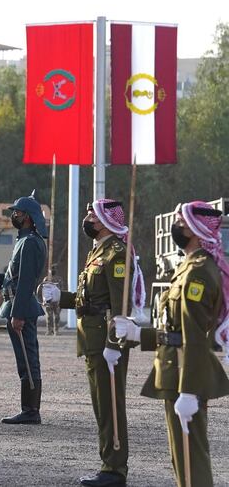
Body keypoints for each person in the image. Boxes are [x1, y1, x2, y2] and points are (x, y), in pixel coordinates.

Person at [115, 201, 229, 487]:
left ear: (194, 228)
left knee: (192, 462)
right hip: (173, 371)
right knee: (181, 458)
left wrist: (189, 390)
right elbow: (173, 330)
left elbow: (195, 337)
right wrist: (139, 335)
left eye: (180, 222)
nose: (175, 227)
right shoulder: (187, 267)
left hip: (185, 376)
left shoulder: (199, 271)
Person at [43, 199, 145, 486]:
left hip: (106, 342)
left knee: (110, 404)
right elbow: (86, 299)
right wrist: (59, 297)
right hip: (92, 340)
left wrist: (114, 345)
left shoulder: (116, 254)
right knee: (102, 404)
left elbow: (119, 306)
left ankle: (114, 470)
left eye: (92, 215)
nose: (87, 219)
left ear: (105, 220)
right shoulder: (97, 252)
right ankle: (108, 464)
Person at [0, 191, 47, 424]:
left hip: (21, 307)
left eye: (16, 212)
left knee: (28, 359)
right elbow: (12, 278)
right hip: (16, 304)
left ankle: (31, 410)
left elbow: (26, 282)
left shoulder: (30, 243)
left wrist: (18, 314)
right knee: (23, 359)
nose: (13, 216)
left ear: (27, 217)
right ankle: (28, 408)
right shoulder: (24, 241)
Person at [38, 266, 65, 336]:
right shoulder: (47, 279)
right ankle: (50, 330)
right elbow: (43, 290)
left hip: (56, 300)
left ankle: (56, 331)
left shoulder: (58, 279)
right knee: (49, 316)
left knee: (56, 316)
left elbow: (61, 290)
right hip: (49, 300)